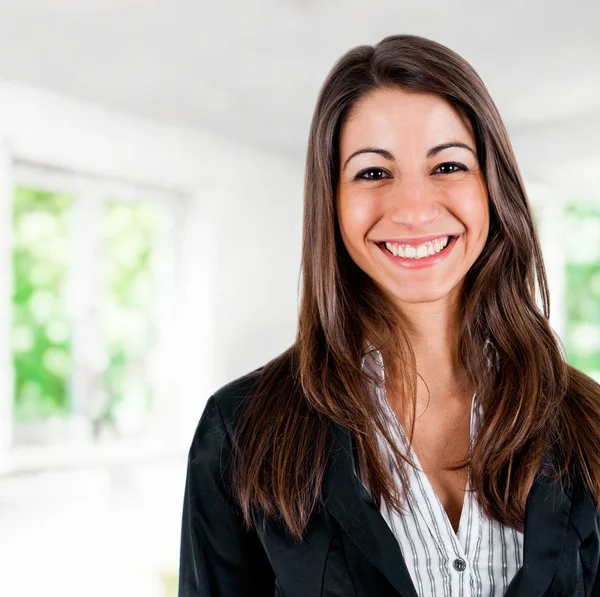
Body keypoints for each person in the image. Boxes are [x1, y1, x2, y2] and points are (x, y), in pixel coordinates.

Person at [177, 34, 600, 597]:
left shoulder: (586, 423)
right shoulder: (242, 432)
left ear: (493, 188)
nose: (414, 209)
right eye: (373, 173)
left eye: (448, 165)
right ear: (331, 200)